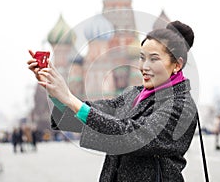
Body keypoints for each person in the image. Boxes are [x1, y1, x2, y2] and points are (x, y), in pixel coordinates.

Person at [28, 20, 198, 181]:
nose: (144, 67)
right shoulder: (134, 94)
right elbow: (93, 115)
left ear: (176, 64)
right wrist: (56, 93)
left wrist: (70, 98)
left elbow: (131, 136)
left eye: (154, 59)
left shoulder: (182, 106)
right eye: (141, 57)